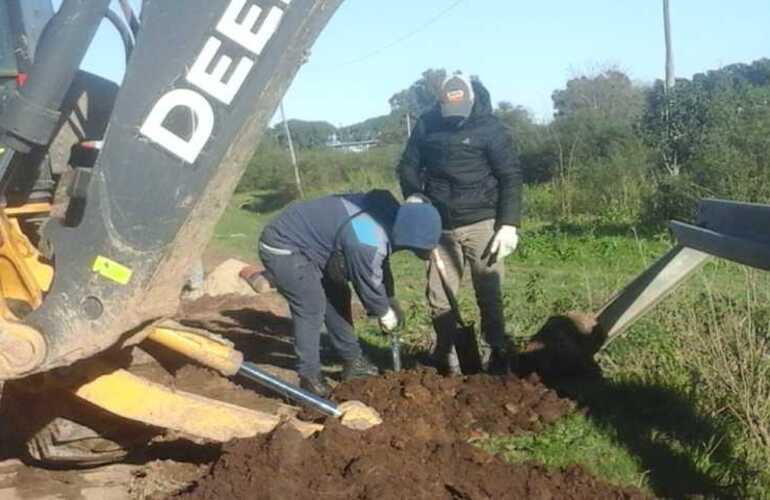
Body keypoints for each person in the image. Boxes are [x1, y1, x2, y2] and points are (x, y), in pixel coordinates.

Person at [257, 189, 442, 396]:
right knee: (312, 307)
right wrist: (382, 311)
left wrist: (390, 299)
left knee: (337, 297)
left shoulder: (389, 215)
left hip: (318, 246)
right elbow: (367, 281)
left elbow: (381, 265)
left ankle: (353, 361)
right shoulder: (367, 240)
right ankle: (309, 377)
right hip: (284, 246)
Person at [397, 73, 523, 375]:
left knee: (488, 291)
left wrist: (508, 223)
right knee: (439, 297)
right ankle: (448, 357)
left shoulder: (490, 128)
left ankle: (497, 352)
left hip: (483, 223)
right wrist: (414, 194)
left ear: (472, 100)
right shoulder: (427, 124)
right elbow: (408, 165)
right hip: (438, 225)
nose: (454, 119)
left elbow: (510, 176)